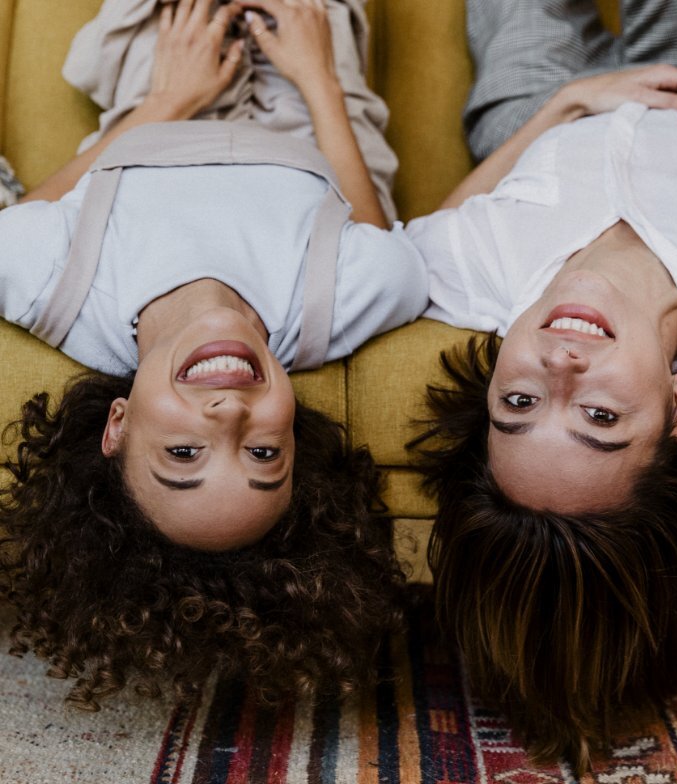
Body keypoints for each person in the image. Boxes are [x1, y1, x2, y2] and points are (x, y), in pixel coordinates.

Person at [406, 0, 677, 773]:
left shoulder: (483, 281)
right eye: (598, 414)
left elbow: (413, 244)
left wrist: (562, 107)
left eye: (518, 405)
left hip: (541, 125)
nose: (557, 365)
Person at [0, 0, 427, 711]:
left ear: (118, 425)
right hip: (304, 100)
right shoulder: (327, 306)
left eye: (184, 454)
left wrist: (168, 98)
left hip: (159, 85)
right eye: (264, 456)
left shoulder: (67, 294)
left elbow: (16, 223)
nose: (228, 415)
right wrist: (318, 79)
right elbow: (385, 246)